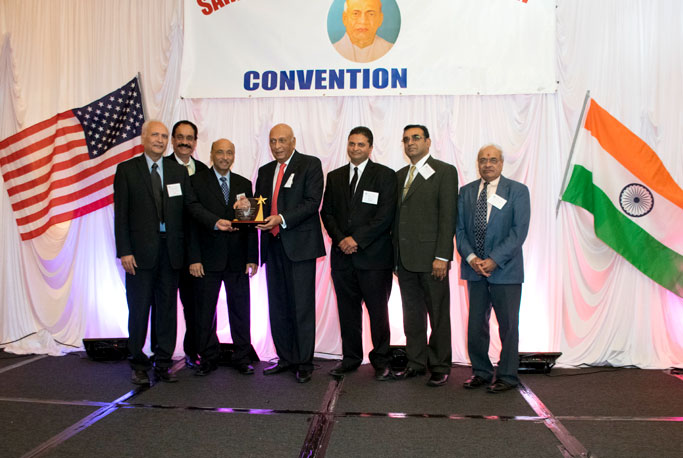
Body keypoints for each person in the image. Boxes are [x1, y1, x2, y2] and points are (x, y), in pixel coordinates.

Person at [114, 120, 231, 385]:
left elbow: (192, 207)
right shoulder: (127, 170)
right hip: (139, 255)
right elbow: (120, 215)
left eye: (163, 136)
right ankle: (138, 363)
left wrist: (215, 221)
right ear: (144, 138)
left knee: (167, 310)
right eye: (155, 135)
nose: (160, 140)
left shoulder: (177, 172)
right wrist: (124, 251)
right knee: (139, 309)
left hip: (171, 253)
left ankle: (163, 363)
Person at [321, 126, 397, 381]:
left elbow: (385, 216)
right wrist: (341, 239)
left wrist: (357, 240)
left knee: (378, 313)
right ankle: (351, 358)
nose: (355, 148)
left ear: (370, 148)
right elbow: (327, 213)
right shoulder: (335, 176)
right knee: (348, 313)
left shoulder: (385, 175)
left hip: (374, 260)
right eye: (352, 144)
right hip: (343, 258)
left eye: (361, 144)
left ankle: (381, 361)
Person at [456, 144, 530, 393]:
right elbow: (460, 230)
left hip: (506, 270)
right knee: (476, 324)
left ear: (501, 163)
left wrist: (494, 260)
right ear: (477, 163)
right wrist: (471, 259)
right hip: (474, 270)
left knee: (508, 326)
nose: (487, 164)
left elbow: (518, 232)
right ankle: (481, 372)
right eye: (483, 160)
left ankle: (507, 375)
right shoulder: (466, 192)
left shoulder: (517, 191)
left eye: (493, 160)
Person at [254, 123, 325, 383]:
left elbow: (312, 203)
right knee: (278, 306)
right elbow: (259, 207)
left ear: (293, 141)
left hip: (300, 247)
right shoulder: (265, 171)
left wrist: (281, 218)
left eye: (282, 140)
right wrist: (246, 209)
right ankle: (285, 357)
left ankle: (304, 362)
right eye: (273, 141)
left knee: (302, 307)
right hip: (272, 246)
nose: (277, 146)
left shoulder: (310, 164)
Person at [393, 124, 458, 387]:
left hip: (433, 260)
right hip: (405, 260)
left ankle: (440, 365)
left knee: (438, 315)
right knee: (412, 316)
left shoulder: (444, 171)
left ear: (428, 142)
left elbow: (448, 216)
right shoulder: (399, 176)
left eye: (416, 138)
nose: (410, 143)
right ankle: (416, 363)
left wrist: (442, 256)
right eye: (406, 139)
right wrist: (395, 258)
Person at [188, 139, 258, 376]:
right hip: (207, 260)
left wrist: (252, 257)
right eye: (220, 152)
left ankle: (242, 357)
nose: (225, 157)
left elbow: (250, 225)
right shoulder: (196, 182)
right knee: (205, 312)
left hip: (237, 260)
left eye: (229, 152)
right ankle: (208, 357)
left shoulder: (244, 183)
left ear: (234, 156)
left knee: (241, 310)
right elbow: (191, 222)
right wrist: (194, 258)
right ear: (211, 154)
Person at [169, 120, 208, 369]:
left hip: (198, 252)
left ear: (195, 142)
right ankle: (161, 354)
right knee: (164, 305)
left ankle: (194, 351)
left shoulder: (204, 171)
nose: (185, 142)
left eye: (189, 138)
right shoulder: (163, 168)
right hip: (168, 250)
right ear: (173, 140)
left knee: (195, 305)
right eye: (180, 137)